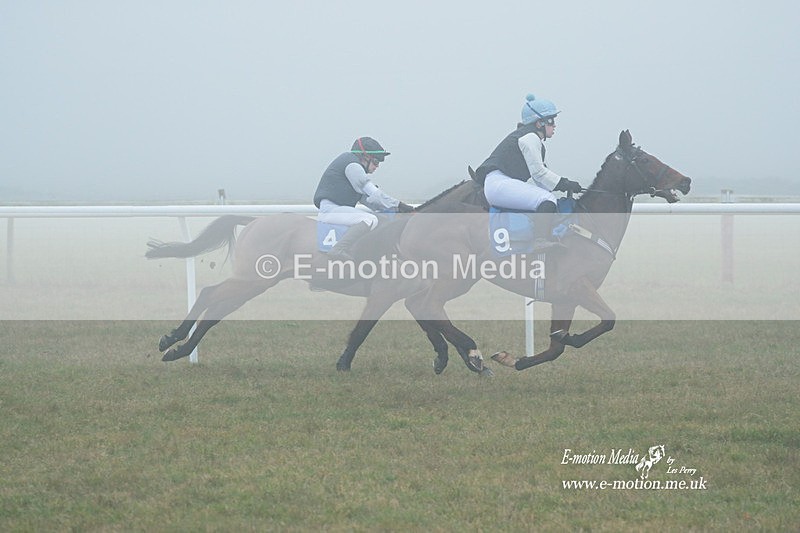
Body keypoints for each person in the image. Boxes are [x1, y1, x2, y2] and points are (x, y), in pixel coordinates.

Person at [473, 93, 583, 250]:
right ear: (539, 123)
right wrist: (564, 183)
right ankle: (540, 241)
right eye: (551, 121)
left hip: (500, 183)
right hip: (499, 183)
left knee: (547, 198)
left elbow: (540, 180)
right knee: (547, 199)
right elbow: (539, 173)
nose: (554, 125)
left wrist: (560, 187)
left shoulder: (532, 139)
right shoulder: (529, 138)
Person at [313, 137, 411, 261]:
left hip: (339, 210)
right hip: (331, 211)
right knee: (369, 219)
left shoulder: (352, 169)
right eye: (375, 162)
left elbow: (370, 200)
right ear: (364, 157)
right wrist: (400, 205)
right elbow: (372, 192)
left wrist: (395, 210)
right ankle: (337, 250)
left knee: (381, 218)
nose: (377, 166)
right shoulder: (352, 165)